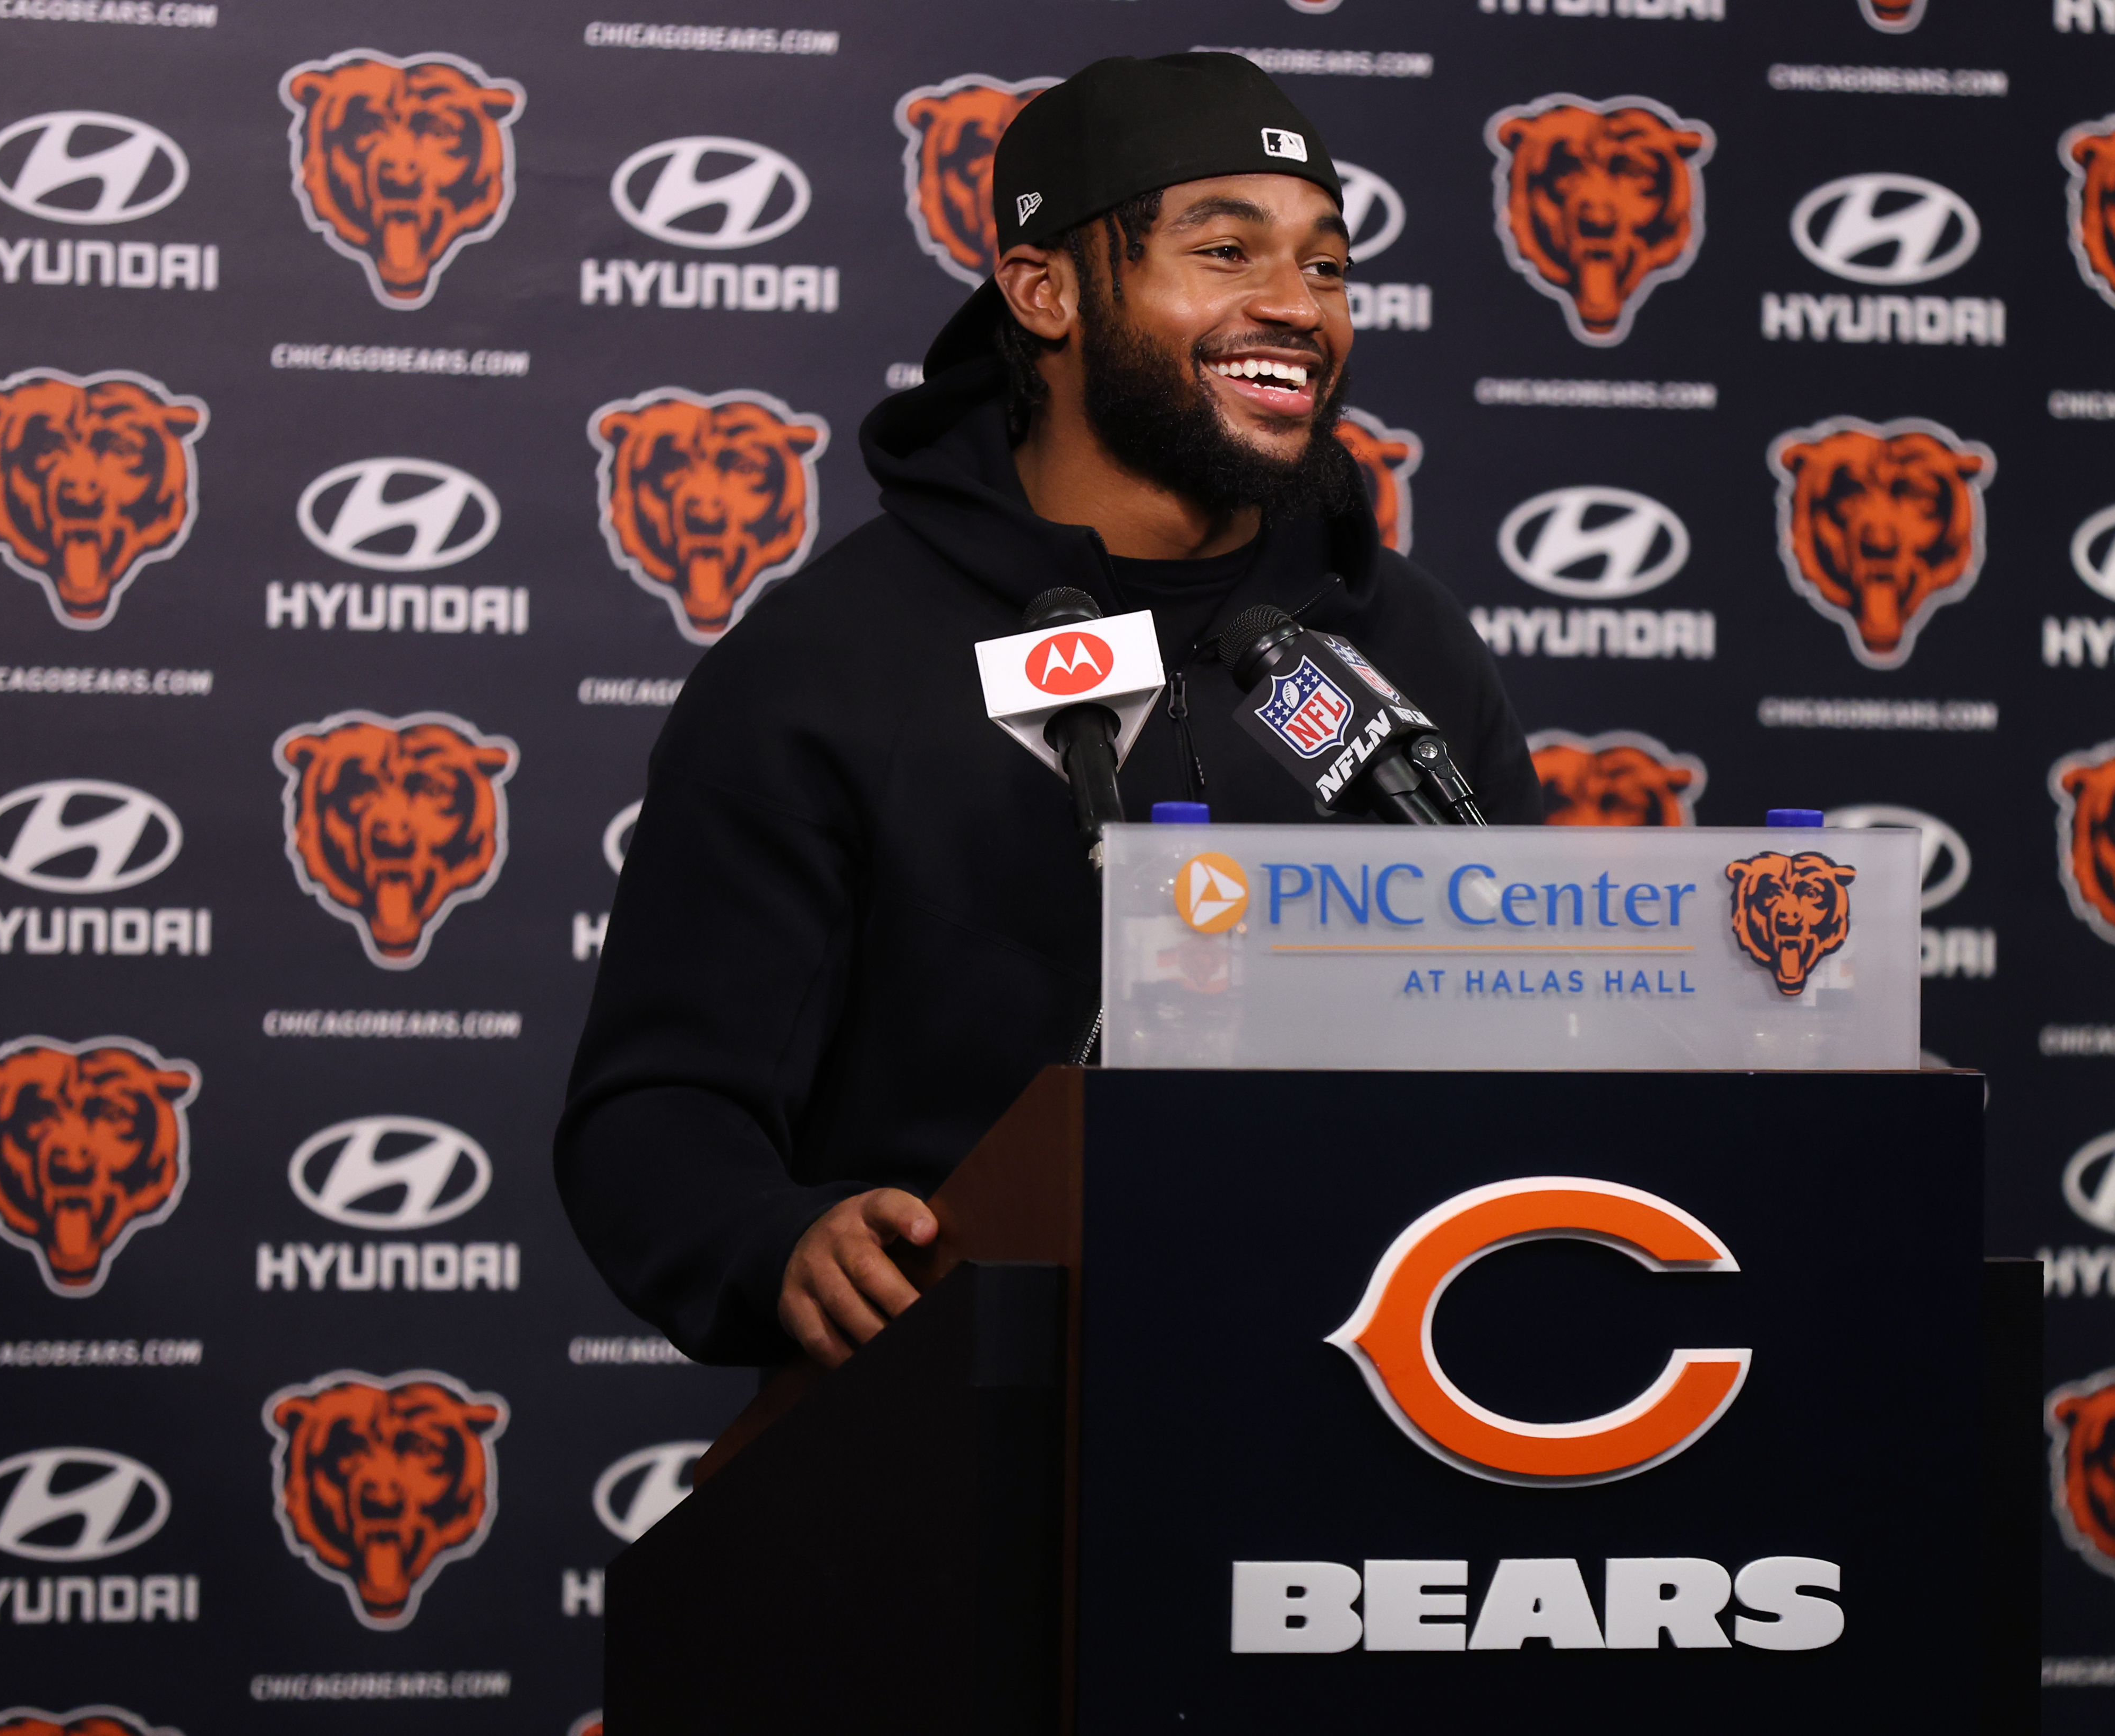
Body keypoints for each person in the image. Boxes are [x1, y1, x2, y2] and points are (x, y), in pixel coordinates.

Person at [555, 53, 1543, 1371]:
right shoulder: (831, 663)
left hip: (1371, 1404)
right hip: (966, 1433)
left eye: (1323, 267)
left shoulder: (1400, 638)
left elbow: (1530, 1024)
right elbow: (658, 1109)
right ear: (1045, 291)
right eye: (1228, 251)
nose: (1296, 308)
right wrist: (774, 1240)